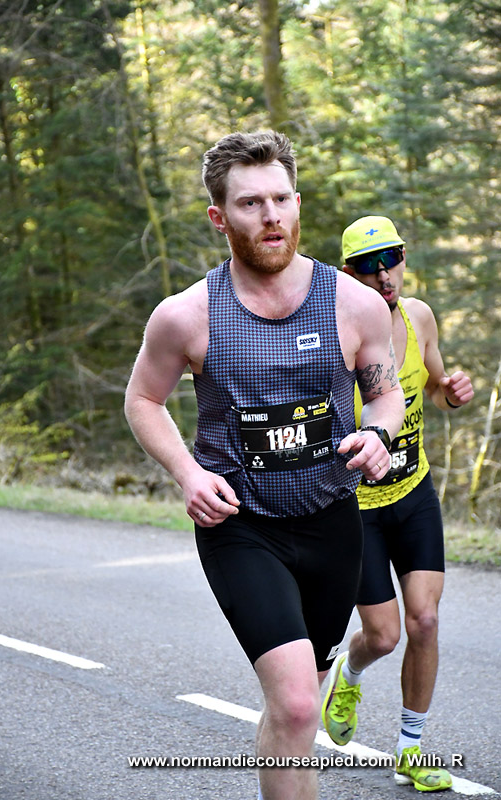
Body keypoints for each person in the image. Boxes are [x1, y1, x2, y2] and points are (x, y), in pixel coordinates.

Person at [124, 133, 405, 800]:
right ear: (219, 217)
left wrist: (377, 435)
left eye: (281, 199)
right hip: (241, 526)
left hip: (333, 521)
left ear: (298, 203)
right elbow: (142, 400)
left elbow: (385, 393)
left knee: (296, 703)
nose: (271, 215)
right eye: (250, 203)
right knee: (300, 704)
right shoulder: (186, 315)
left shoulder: (355, 303)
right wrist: (189, 474)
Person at [323, 215, 474, 792]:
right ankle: (350, 669)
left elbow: (433, 387)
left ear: (405, 259)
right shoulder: (334, 331)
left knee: (426, 620)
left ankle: (410, 749)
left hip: (414, 493)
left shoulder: (419, 317)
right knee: (384, 636)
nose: (384, 275)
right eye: (369, 266)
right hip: (358, 508)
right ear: (348, 273)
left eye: (392, 259)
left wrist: (450, 392)